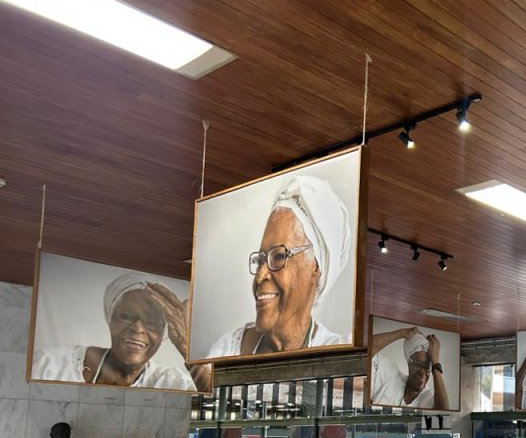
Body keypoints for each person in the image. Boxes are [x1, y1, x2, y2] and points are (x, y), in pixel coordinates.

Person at [208, 175, 352, 356]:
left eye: (278, 256)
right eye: (260, 260)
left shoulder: (341, 354)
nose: (260, 276)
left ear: (315, 267)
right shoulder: (224, 350)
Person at [32, 273, 205, 391]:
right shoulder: (50, 365)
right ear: (110, 318)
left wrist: (185, 345)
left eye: (152, 322)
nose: (138, 328)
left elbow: (209, 395)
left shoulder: (173, 383)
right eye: (126, 316)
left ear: (164, 332)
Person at [370, 326, 450, 409]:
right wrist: (402, 333)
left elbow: (444, 411)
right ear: (409, 363)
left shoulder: (428, 397)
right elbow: (366, 350)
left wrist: (436, 363)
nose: (422, 372)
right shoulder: (390, 375)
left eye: (427, 367)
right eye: (419, 364)